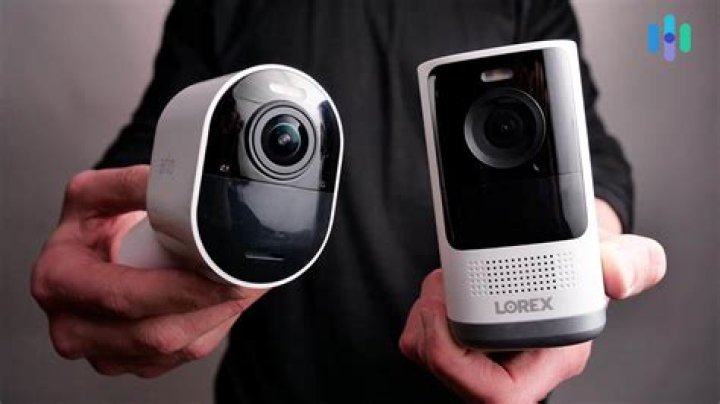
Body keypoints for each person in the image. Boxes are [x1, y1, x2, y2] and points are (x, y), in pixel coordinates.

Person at [31, 1, 666, 402]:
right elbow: (161, 144)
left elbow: (592, 155)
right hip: (277, 389)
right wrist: (122, 241)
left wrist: (583, 253)